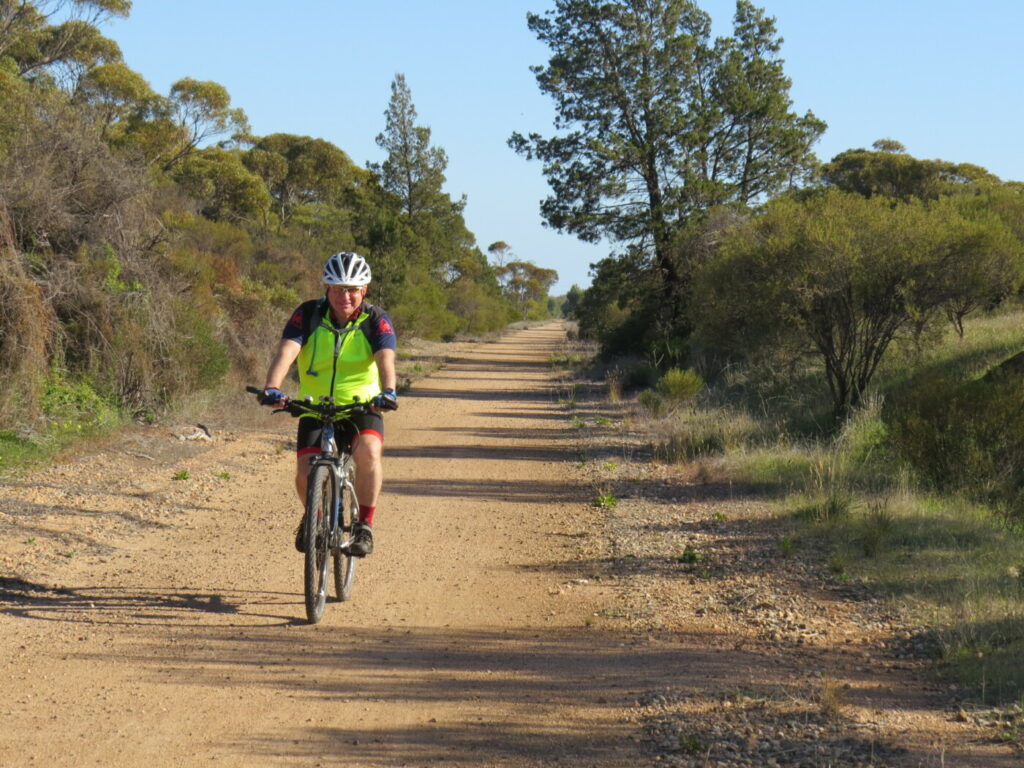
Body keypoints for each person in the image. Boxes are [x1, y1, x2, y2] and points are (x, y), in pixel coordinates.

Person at [260, 251, 398, 557]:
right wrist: (272, 387)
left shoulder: (376, 320)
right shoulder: (308, 314)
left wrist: (388, 390)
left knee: (369, 452)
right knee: (305, 471)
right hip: (315, 405)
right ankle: (316, 517)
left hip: (362, 406)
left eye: (352, 289)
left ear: (364, 290)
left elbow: (385, 357)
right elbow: (288, 349)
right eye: (337, 289)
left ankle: (364, 525)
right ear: (326, 289)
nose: (344, 296)